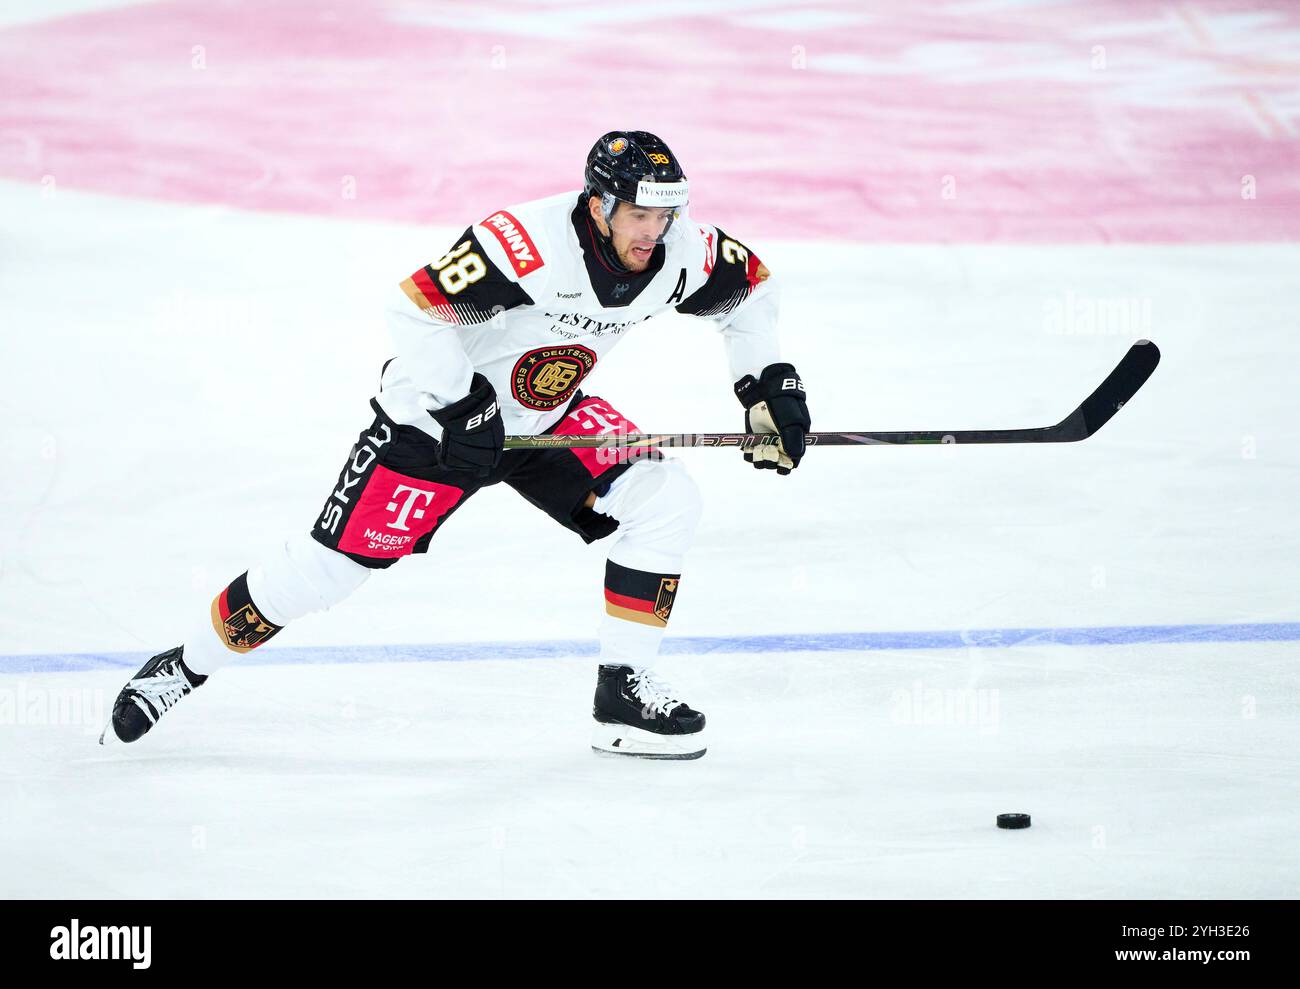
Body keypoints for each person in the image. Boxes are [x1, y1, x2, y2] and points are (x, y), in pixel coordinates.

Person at [101, 131, 811, 760]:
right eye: (638, 214)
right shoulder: (526, 244)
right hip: (434, 426)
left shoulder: (680, 252)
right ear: (598, 203)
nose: (652, 231)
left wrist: (767, 385)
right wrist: (463, 405)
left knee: (664, 500)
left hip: (548, 421)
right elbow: (414, 308)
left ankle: (622, 693)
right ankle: (182, 666)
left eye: (665, 215)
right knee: (325, 574)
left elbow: (749, 290)